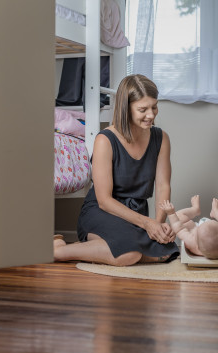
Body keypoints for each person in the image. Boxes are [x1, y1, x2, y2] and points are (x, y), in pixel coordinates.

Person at [54, 74, 179, 266]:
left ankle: (100, 246)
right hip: (102, 211)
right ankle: (59, 250)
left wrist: (159, 224)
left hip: (136, 214)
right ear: (125, 109)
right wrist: (146, 223)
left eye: (154, 106)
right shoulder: (105, 140)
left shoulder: (161, 138)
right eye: (142, 109)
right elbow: (104, 201)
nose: (151, 115)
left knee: (166, 253)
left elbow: (163, 186)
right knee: (128, 255)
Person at [159, 195, 218, 259]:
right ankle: (215, 211)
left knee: (178, 216)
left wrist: (171, 213)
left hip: (194, 228)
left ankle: (194, 209)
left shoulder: (192, 242)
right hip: (205, 230)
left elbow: (178, 227)